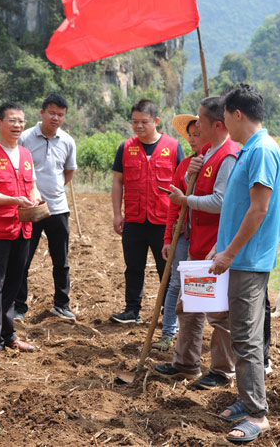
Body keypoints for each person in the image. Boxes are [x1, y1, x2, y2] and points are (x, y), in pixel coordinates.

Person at [203, 84, 280, 443]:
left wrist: (231, 253)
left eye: (224, 118)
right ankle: (247, 399)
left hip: (249, 261)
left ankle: (257, 414)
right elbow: (239, 208)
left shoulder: (262, 150)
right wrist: (220, 248)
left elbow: (259, 209)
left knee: (248, 338)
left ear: (237, 115)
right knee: (239, 331)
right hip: (240, 257)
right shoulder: (250, 149)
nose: (223, 125)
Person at [154, 96, 239, 390]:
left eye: (200, 121)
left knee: (218, 313)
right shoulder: (205, 154)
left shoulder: (227, 155)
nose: (196, 125)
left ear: (217, 125)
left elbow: (221, 201)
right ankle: (186, 362)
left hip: (216, 245)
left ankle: (221, 370)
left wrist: (185, 200)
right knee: (189, 306)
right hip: (198, 243)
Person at [0, 102, 41, 366]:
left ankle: (8, 333)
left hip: (23, 228)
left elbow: (33, 186)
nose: (17, 125)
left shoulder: (25, 154)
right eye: (12, 120)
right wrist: (15, 199)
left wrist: (35, 198)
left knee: (14, 283)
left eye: (21, 121)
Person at [110, 98, 184, 323]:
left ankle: (168, 313)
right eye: (134, 122)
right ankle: (132, 310)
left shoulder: (172, 146)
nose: (139, 126)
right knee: (133, 267)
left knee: (167, 269)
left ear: (156, 121)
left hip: (163, 221)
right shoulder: (125, 147)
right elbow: (118, 182)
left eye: (144, 121)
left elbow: (182, 182)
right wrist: (117, 213)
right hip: (134, 219)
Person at [15, 94, 78, 322]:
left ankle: (62, 304)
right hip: (31, 210)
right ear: (41, 113)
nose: (56, 118)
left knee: (61, 260)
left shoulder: (67, 141)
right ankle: (19, 307)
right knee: (23, 258)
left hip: (58, 209)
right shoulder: (25, 138)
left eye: (60, 114)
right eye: (52, 113)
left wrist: (56, 189)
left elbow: (68, 172)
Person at [151, 114, 206, 351]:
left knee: (201, 286)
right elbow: (174, 204)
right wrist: (167, 238)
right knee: (175, 282)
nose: (192, 140)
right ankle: (167, 333)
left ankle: (193, 339)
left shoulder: (222, 162)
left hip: (207, 236)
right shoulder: (185, 165)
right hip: (184, 234)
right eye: (190, 136)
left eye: (197, 135)